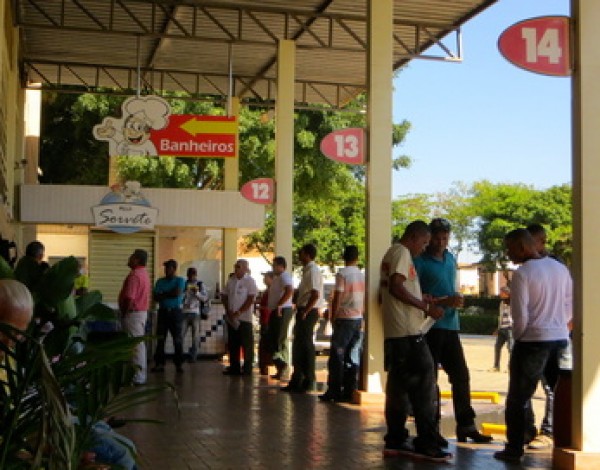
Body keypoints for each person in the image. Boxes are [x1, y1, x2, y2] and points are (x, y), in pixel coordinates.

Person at [494, 228, 572, 463]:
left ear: (522, 247)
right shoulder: (559, 269)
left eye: (510, 248)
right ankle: (562, 440)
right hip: (559, 339)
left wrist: (519, 337)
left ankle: (514, 448)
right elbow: (570, 303)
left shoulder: (523, 273)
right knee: (557, 392)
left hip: (532, 341)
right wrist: (560, 325)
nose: (508, 254)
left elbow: (520, 314)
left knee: (518, 398)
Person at [414, 218, 492, 444]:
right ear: (429, 238)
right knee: (431, 380)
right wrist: (443, 300)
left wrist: (456, 300)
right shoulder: (420, 262)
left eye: (445, 238)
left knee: (461, 376)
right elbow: (416, 296)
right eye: (437, 238)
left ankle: (466, 425)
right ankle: (432, 428)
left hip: (451, 325)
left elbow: (451, 289)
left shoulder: (451, 259)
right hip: (430, 327)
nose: (441, 242)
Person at [379, 221, 451, 462]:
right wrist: (425, 306)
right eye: (423, 242)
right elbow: (396, 288)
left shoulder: (393, 252)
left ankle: (396, 438)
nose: (424, 248)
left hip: (397, 333)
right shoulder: (401, 252)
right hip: (408, 333)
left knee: (398, 388)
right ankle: (427, 443)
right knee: (425, 383)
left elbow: (399, 288)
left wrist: (422, 297)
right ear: (414, 237)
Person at [524, 223, 573, 450]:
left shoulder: (555, 266)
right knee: (526, 385)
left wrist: (561, 325)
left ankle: (549, 431)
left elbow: (569, 301)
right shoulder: (527, 267)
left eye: (528, 242)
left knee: (551, 386)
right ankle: (527, 430)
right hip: (535, 334)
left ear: (540, 242)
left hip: (550, 336)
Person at [320, 245, 365, 403]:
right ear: (357, 258)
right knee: (352, 356)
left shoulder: (342, 274)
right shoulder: (361, 275)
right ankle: (349, 389)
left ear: (344, 257)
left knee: (337, 356)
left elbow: (338, 296)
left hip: (344, 318)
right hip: (357, 319)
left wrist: (333, 316)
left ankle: (334, 391)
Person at [281, 243, 324, 393]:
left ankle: (308, 379)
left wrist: (305, 311)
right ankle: (298, 378)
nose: (299, 256)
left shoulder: (313, 271)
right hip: (303, 309)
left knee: (305, 345)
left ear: (307, 254)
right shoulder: (307, 271)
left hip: (308, 311)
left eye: (301, 253)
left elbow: (315, 294)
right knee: (299, 345)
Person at [118, 249, 151, 386]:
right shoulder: (144, 274)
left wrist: (124, 313)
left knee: (135, 346)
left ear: (136, 259)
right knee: (138, 345)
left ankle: (138, 377)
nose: (129, 258)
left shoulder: (134, 275)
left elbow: (129, 298)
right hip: (140, 313)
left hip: (133, 314)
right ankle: (138, 375)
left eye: (131, 256)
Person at [221, 259, 258, 376]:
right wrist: (228, 310)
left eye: (238, 267)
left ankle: (247, 368)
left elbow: (251, 298)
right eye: (235, 266)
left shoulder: (250, 281)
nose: (236, 269)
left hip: (244, 318)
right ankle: (234, 367)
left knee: (247, 344)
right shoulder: (231, 280)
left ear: (245, 269)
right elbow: (224, 295)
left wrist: (239, 311)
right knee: (233, 343)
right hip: (232, 318)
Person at [152, 259, 186, 373]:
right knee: (161, 338)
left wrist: (163, 294)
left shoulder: (180, 280)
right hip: (162, 312)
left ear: (174, 269)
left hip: (175, 312)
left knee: (177, 339)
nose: (166, 270)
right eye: (165, 268)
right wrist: (168, 294)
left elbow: (177, 293)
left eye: (169, 268)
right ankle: (159, 364)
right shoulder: (159, 281)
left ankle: (179, 364)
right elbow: (155, 297)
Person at [267, 256, 295, 380]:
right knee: (274, 338)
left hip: (282, 311)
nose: (273, 268)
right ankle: (281, 367)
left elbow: (289, 290)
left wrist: (280, 304)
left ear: (280, 266)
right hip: (277, 310)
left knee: (279, 338)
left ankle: (283, 365)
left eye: (274, 266)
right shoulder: (278, 278)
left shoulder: (285, 276)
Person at [182, 267, 209, 363]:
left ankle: (193, 356)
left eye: (193, 274)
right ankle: (180, 355)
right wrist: (185, 292)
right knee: (180, 335)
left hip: (195, 313)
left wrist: (196, 293)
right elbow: (179, 297)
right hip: (184, 312)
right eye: (190, 274)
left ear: (196, 274)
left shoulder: (200, 285)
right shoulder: (184, 284)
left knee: (195, 337)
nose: (191, 276)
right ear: (187, 275)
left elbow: (205, 298)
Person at [491, 287, 513, 372]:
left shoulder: (513, 302)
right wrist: (498, 328)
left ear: (507, 293)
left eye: (502, 292)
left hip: (510, 328)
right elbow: (500, 316)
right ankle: (496, 366)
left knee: (511, 348)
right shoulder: (501, 303)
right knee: (497, 346)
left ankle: (510, 367)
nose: (500, 294)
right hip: (502, 328)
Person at [258, 271, 274, 375]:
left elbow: (270, 306)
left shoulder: (271, 292)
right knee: (263, 343)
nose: (264, 279)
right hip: (264, 319)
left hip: (267, 320)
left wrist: (261, 307)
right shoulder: (267, 291)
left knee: (265, 344)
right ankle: (263, 366)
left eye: (266, 277)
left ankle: (266, 365)